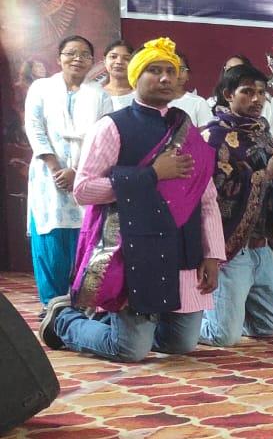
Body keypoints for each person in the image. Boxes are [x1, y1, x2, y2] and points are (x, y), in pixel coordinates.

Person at [39, 37, 224, 362]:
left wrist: (213, 255)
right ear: (136, 76)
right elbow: (84, 189)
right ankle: (64, 319)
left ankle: (118, 324)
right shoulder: (112, 126)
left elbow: (206, 198)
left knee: (180, 344)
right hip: (135, 250)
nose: (165, 78)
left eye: (171, 71)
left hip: (182, 246)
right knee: (129, 350)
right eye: (154, 70)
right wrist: (151, 174)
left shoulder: (187, 129)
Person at [198, 63, 273, 347]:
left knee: (269, 328)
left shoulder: (265, 136)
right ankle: (179, 324)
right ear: (228, 94)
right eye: (248, 92)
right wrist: (266, 174)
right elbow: (216, 190)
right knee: (223, 336)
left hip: (261, 247)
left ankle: (230, 313)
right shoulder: (213, 137)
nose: (257, 99)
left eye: (262, 93)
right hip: (232, 248)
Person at [24, 34, 113, 311]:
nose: (77, 58)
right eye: (71, 53)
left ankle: (77, 305)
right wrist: (56, 168)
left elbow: (103, 138)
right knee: (50, 241)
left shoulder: (101, 95)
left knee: (83, 238)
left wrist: (76, 171)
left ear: (92, 61)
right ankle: (51, 304)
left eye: (85, 54)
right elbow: (34, 127)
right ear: (59, 58)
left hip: (85, 176)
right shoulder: (41, 88)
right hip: (47, 175)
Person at [170, 53, 214, 127]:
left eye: (181, 69)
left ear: (187, 75)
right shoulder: (153, 101)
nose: (177, 73)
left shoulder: (198, 103)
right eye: (172, 69)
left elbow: (207, 133)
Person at [101, 40, 134, 110]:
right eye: (113, 57)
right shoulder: (96, 94)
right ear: (104, 60)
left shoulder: (141, 95)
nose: (119, 62)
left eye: (126, 58)